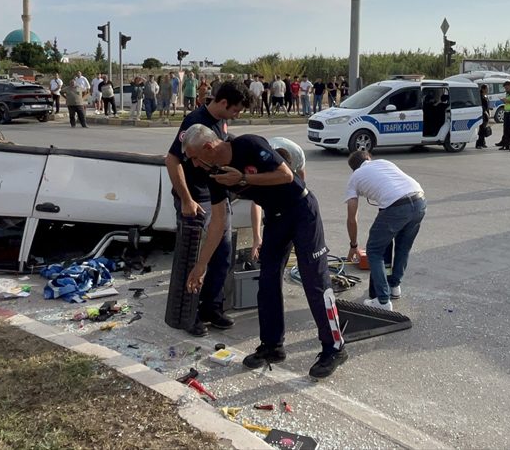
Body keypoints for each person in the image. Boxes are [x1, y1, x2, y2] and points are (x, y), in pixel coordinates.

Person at [182, 126, 347, 379]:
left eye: (194, 156)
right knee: (267, 282)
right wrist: (201, 264)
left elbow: (285, 176)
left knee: (314, 281)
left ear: (208, 147)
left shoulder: (248, 145)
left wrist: (243, 179)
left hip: (301, 210)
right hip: (276, 218)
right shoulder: (214, 175)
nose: (193, 163)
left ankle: (334, 347)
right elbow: (217, 221)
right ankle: (272, 346)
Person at [166, 81, 250, 336]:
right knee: (192, 258)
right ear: (224, 103)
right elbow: (172, 160)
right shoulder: (195, 121)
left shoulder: (222, 122)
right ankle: (189, 314)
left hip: (217, 196)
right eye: (235, 110)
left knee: (222, 255)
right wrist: (187, 200)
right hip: (195, 200)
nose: (237, 115)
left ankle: (211, 308)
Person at [344, 151, 425, 311]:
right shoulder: (384, 163)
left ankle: (382, 301)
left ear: (353, 168)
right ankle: (395, 287)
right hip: (420, 201)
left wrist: (353, 245)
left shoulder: (355, 177)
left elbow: (352, 217)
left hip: (395, 207)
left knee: (374, 251)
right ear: (369, 158)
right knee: (403, 248)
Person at [476, 84, 492, 149]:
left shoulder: (485, 95)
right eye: (487, 88)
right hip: (483, 114)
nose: (488, 90)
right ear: (483, 89)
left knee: (484, 128)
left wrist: (489, 112)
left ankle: (483, 143)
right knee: (482, 129)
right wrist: (486, 113)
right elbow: (482, 106)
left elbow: (487, 105)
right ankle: (478, 144)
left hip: (486, 114)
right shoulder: (480, 96)